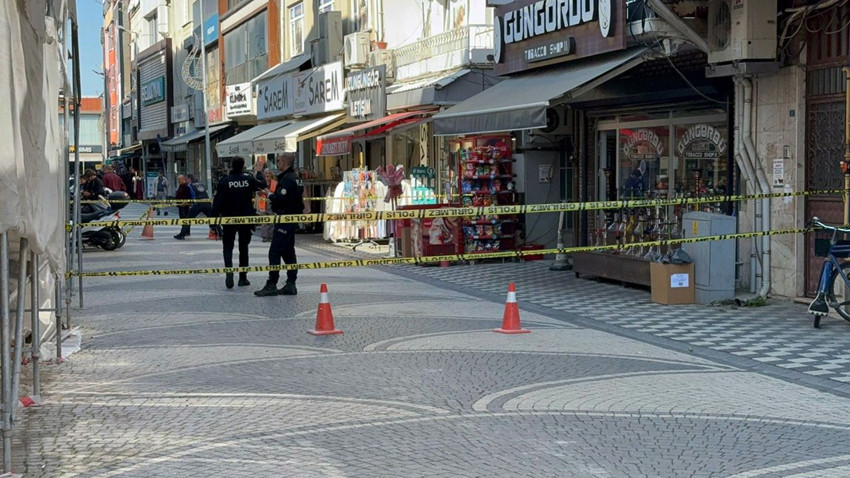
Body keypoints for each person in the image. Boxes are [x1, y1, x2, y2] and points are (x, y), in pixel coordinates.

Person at [212, 157, 267, 289]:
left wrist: (214, 221)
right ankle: (243, 278)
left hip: (229, 218)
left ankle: (229, 271)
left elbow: (217, 202)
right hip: (245, 219)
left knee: (227, 247)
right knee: (244, 248)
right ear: (243, 166)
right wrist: (259, 172)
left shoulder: (225, 181)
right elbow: (263, 185)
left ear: (231, 165)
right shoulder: (248, 179)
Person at [255, 153, 304, 297]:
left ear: (284, 162)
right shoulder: (295, 178)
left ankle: (272, 283)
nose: (277, 163)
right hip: (291, 218)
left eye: (278, 160)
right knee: (288, 251)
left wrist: (270, 195)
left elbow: (281, 200)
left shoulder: (287, 180)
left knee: (275, 251)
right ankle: (290, 283)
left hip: (285, 218)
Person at [186, 174, 221, 240]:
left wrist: (191, 203)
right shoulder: (200, 184)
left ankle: (182, 233)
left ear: (189, 179)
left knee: (188, 219)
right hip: (207, 203)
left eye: (186, 179)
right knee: (212, 218)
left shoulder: (190, 185)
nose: (186, 181)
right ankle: (220, 233)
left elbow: (192, 195)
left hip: (198, 204)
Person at [257, 169, 278, 243]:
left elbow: (276, 192)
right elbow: (258, 192)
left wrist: (268, 193)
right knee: (264, 221)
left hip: (271, 203)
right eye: (266, 173)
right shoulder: (261, 183)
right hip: (263, 203)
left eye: (268, 173)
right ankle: (265, 237)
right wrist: (262, 192)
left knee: (272, 221)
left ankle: (271, 236)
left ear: (271, 174)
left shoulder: (275, 183)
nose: (267, 175)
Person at [173, 174, 193, 240]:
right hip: (180, 206)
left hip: (184, 206)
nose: (178, 181)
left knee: (184, 219)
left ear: (184, 179)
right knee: (183, 219)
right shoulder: (181, 186)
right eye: (178, 179)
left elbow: (189, 197)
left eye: (180, 179)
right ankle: (186, 231)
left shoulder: (186, 187)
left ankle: (183, 233)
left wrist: (187, 203)